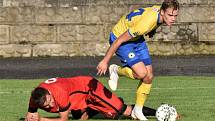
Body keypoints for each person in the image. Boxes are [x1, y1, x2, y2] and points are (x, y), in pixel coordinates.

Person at [96, 0, 179, 120]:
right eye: (170, 15)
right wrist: (105, 61)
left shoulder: (159, 12)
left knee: (149, 76)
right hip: (121, 40)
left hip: (137, 39)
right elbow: (119, 41)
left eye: (175, 15)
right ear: (162, 12)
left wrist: (153, 30)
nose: (173, 18)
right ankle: (115, 70)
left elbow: (151, 18)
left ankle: (137, 111)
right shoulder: (145, 24)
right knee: (141, 73)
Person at [24, 76, 156, 121]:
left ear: (49, 93)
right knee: (78, 116)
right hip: (80, 96)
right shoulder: (35, 97)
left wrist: (41, 119)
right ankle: (91, 109)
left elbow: (63, 119)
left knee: (122, 111)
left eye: (50, 101)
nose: (50, 105)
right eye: (46, 106)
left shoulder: (59, 93)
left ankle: (157, 113)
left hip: (91, 88)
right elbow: (29, 115)